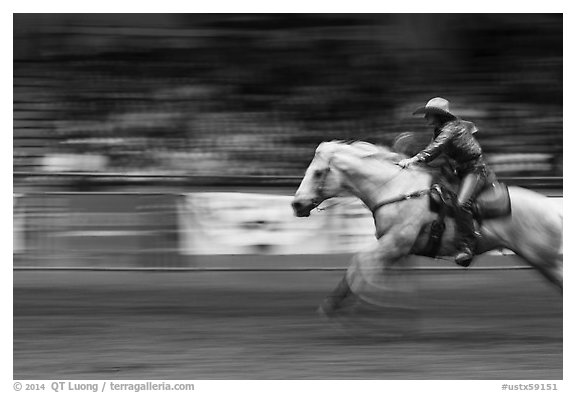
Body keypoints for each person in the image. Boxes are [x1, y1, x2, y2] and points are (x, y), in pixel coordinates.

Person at [397, 97, 494, 266]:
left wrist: (413, 160)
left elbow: (436, 148)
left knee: (462, 203)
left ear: (438, 115)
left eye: (429, 114)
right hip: (458, 171)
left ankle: (468, 246)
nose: (426, 118)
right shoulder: (440, 130)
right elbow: (433, 154)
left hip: (475, 170)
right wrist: (412, 162)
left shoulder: (452, 128)